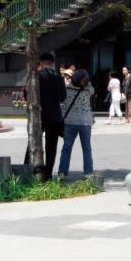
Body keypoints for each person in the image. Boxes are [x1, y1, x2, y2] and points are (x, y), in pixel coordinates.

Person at [57, 69, 96, 179]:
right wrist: (87, 82)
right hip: (85, 122)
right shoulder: (88, 90)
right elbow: (92, 89)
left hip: (70, 122)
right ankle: (88, 173)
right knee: (87, 148)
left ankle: (62, 172)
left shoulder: (67, 88)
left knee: (67, 147)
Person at [37, 52, 67, 181]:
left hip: (39, 114)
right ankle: (48, 173)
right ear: (53, 63)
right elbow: (63, 97)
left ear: (41, 63)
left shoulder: (37, 76)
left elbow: (28, 95)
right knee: (51, 146)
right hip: (55, 115)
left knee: (34, 143)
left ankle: (31, 170)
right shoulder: (58, 77)